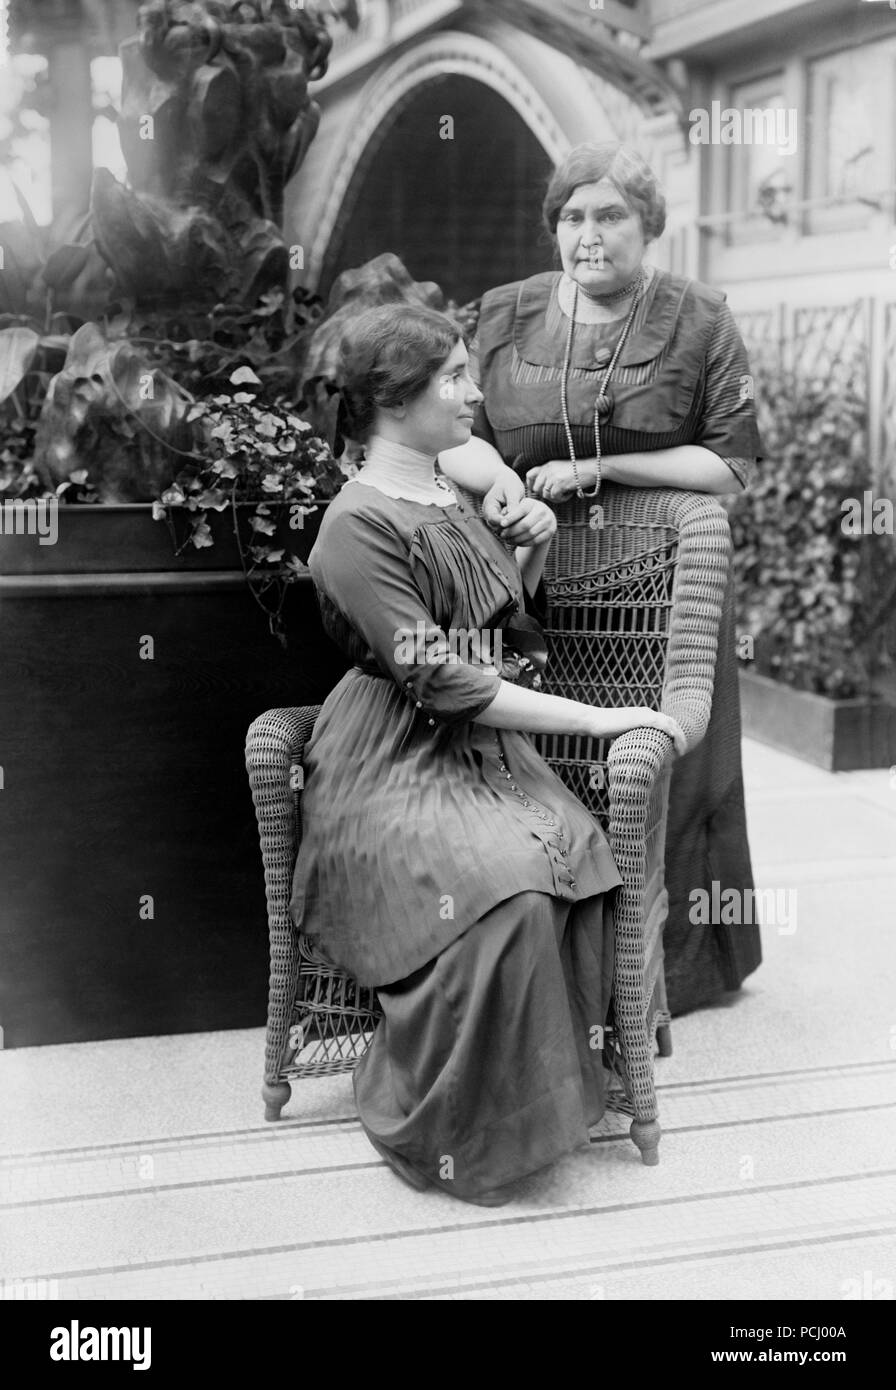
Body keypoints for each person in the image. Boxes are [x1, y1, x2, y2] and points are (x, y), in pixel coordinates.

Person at [289, 303, 685, 1205]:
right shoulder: (355, 526)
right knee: (503, 892)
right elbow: (445, 680)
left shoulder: (448, 494)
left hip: (487, 752)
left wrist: (529, 556)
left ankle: (555, 1096)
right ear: (393, 399)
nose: (476, 392)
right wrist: (599, 720)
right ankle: (461, 1124)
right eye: (455, 377)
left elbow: (501, 639)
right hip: (390, 761)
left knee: (576, 866)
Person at [466, 141, 764, 1017]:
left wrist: (604, 470)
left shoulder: (701, 317)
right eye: (571, 217)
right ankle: (541, 955)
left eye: (609, 216)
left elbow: (731, 466)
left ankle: (661, 973)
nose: (587, 236)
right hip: (527, 582)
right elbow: (457, 426)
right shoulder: (500, 314)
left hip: (665, 588)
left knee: (667, 771)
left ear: (649, 226)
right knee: (536, 763)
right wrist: (500, 480)